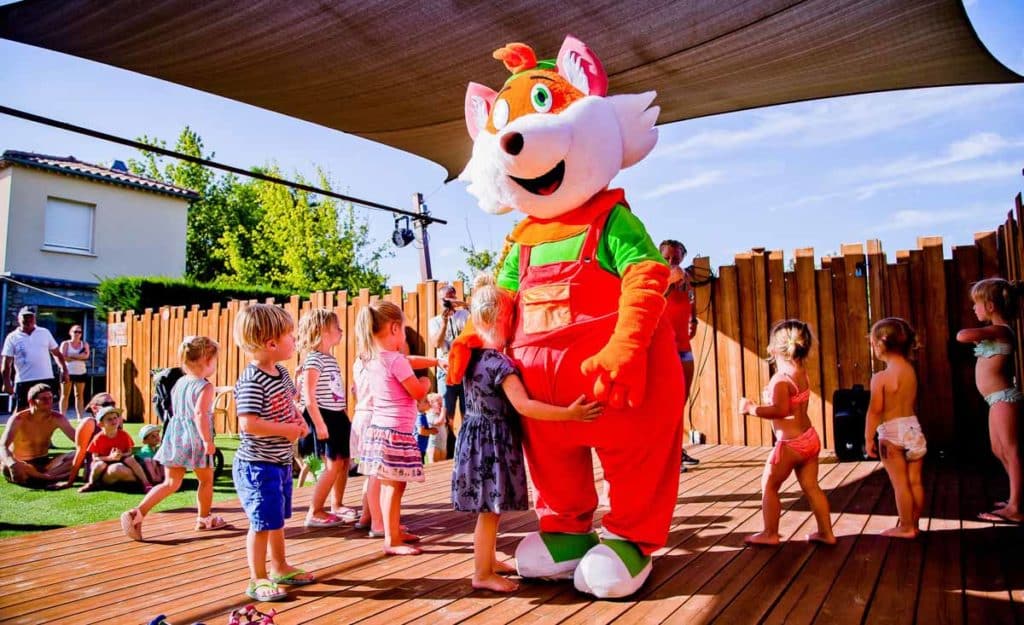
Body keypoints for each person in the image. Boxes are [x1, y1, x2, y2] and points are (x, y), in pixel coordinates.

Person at [453, 277, 603, 592]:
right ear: (502, 320)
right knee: (489, 512)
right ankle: (482, 574)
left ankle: (489, 560)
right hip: (492, 444)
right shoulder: (499, 364)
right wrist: (569, 414)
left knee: (489, 510)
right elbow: (524, 406)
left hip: (475, 441)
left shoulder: (472, 358)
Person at [231, 304, 312, 601]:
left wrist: (299, 421)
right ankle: (258, 578)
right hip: (257, 465)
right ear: (271, 344)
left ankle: (279, 566)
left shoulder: (281, 372)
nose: (295, 340)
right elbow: (248, 424)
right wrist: (286, 430)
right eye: (290, 335)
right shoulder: (252, 380)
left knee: (275, 519)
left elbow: (290, 402)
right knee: (262, 522)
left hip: (278, 461)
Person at [739, 319, 836, 546]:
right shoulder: (801, 373)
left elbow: (780, 411)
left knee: (769, 486)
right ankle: (826, 533)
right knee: (812, 487)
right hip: (809, 438)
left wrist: (751, 409)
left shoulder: (780, 380)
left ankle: (770, 533)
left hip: (790, 445)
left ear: (773, 349)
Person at [120, 336, 226, 539]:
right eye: (215, 361)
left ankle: (137, 513)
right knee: (206, 480)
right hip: (195, 438)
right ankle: (204, 519)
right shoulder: (206, 386)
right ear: (206, 360)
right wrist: (207, 441)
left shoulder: (180, 382)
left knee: (171, 482)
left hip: (175, 436)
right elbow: (200, 414)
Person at [355, 300, 433, 556]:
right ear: (395, 328)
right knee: (394, 487)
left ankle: (393, 532)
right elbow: (417, 392)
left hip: (381, 430)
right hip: (396, 432)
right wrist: (426, 382)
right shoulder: (395, 361)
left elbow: (409, 360)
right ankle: (391, 540)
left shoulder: (374, 358)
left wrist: (436, 361)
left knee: (394, 485)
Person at [956, 277, 1023, 524]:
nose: (974, 308)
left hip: (1004, 399)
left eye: (977, 303)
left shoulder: (1001, 330)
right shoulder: (995, 332)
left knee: (1012, 450)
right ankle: (1017, 495)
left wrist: (978, 336)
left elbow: (962, 335)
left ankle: (1016, 506)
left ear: (991, 306)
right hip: (995, 400)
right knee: (999, 449)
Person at [865, 318, 926, 538]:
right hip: (913, 430)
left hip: (891, 434)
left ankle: (906, 527)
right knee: (915, 481)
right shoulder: (910, 371)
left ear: (880, 345)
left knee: (900, 484)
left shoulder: (881, 377)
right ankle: (914, 523)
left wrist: (868, 438)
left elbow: (875, 411)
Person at [296, 308, 356, 528]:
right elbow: (309, 397)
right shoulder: (314, 361)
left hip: (336, 416)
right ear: (322, 331)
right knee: (333, 464)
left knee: (344, 461)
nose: (341, 331)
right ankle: (315, 511)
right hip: (323, 417)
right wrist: (320, 424)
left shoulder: (329, 358)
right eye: (336, 327)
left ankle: (337, 504)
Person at [659, 240, 700, 470]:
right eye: (666, 258)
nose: (671, 262)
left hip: (684, 348)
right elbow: (655, 299)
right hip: (665, 349)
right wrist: (669, 281)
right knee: (666, 404)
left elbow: (691, 301)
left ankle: (676, 450)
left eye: (675, 258)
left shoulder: (687, 279)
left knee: (680, 403)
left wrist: (694, 320)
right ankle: (667, 455)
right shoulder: (658, 278)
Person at [0, 383, 76, 487]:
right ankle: (51, 477)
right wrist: (12, 464)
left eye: (50, 398)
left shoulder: (57, 418)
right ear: (31, 401)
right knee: (7, 466)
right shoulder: (18, 419)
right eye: (44, 399)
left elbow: (80, 441)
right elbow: (3, 446)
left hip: (46, 463)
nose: (49, 402)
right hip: (23, 463)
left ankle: (43, 477)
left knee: (78, 455)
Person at [2, 307, 70, 411]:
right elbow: (6, 363)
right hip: (24, 380)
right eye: (25, 317)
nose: (28, 320)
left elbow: (57, 353)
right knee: (21, 411)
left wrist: (64, 370)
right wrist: (6, 383)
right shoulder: (12, 337)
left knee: (47, 409)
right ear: (19, 319)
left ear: (35, 319)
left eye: (31, 317)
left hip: (45, 378)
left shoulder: (44, 332)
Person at [429, 285, 469, 456]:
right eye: (444, 299)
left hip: (466, 370)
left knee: (468, 412)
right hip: (446, 371)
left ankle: (467, 451)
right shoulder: (435, 321)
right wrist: (445, 322)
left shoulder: (465, 315)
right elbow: (436, 343)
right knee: (446, 413)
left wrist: (463, 305)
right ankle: (448, 453)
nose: (447, 302)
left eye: (450, 297)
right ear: (439, 301)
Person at [81, 406, 153, 493]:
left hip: (121, 459)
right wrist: (110, 458)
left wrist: (121, 455)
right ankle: (91, 483)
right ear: (101, 424)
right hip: (104, 461)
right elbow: (95, 457)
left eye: (115, 418)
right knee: (99, 465)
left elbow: (129, 452)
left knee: (130, 459)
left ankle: (146, 483)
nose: (113, 421)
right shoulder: (98, 438)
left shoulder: (124, 435)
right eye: (109, 419)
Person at [56, 392, 119, 489]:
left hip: (114, 462)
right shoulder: (89, 423)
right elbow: (80, 453)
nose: (111, 407)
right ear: (94, 408)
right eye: (106, 404)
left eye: (113, 404)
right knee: (118, 469)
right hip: (97, 467)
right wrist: (70, 482)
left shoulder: (116, 420)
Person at [59, 325, 90, 418]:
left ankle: (80, 417)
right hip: (67, 372)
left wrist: (71, 356)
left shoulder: (84, 344)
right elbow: (63, 357)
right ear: (70, 333)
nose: (77, 334)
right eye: (75, 331)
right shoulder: (65, 344)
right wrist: (79, 356)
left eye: (79, 332)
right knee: (65, 395)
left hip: (81, 372)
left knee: (79, 395)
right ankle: (62, 417)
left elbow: (86, 356)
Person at [424, 392, 447, 463]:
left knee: (443, 464)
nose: (441, 405)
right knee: (434, 464)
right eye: (439, 403)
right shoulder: (430, 414)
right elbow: (439, 422)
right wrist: (443, 411)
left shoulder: (440, 415)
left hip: (443, 444)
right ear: (431, 404)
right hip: (434, 445)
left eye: (442, 403)